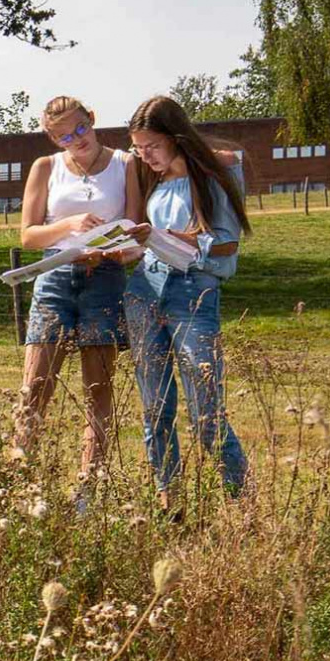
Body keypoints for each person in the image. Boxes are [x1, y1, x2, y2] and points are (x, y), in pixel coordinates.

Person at [16, 95, 146, 508]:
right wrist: (70, 225)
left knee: (98, 389)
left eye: (80, 129)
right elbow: (28, 235)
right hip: (54, 276)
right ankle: (18, 483)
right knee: (35, 387)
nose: (75, 140)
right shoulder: (45, 168)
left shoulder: (127, 164)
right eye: (64, 137)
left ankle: (86, 490)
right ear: (54, 140)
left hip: (105, 278)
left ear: (92, 118)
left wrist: (114, 251)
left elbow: (136, 233)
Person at [125, 95, 251, 510]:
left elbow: (227, 243)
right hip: (144, 290)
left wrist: (169, 237)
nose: (146, 157)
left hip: (192, 292)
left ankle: (242, 501)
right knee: (154, 406)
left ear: (177, 138)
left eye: (153, 147)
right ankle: (169, 500)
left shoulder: (212, 176)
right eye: (139, 150)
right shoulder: (154, 182)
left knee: (205, 411)